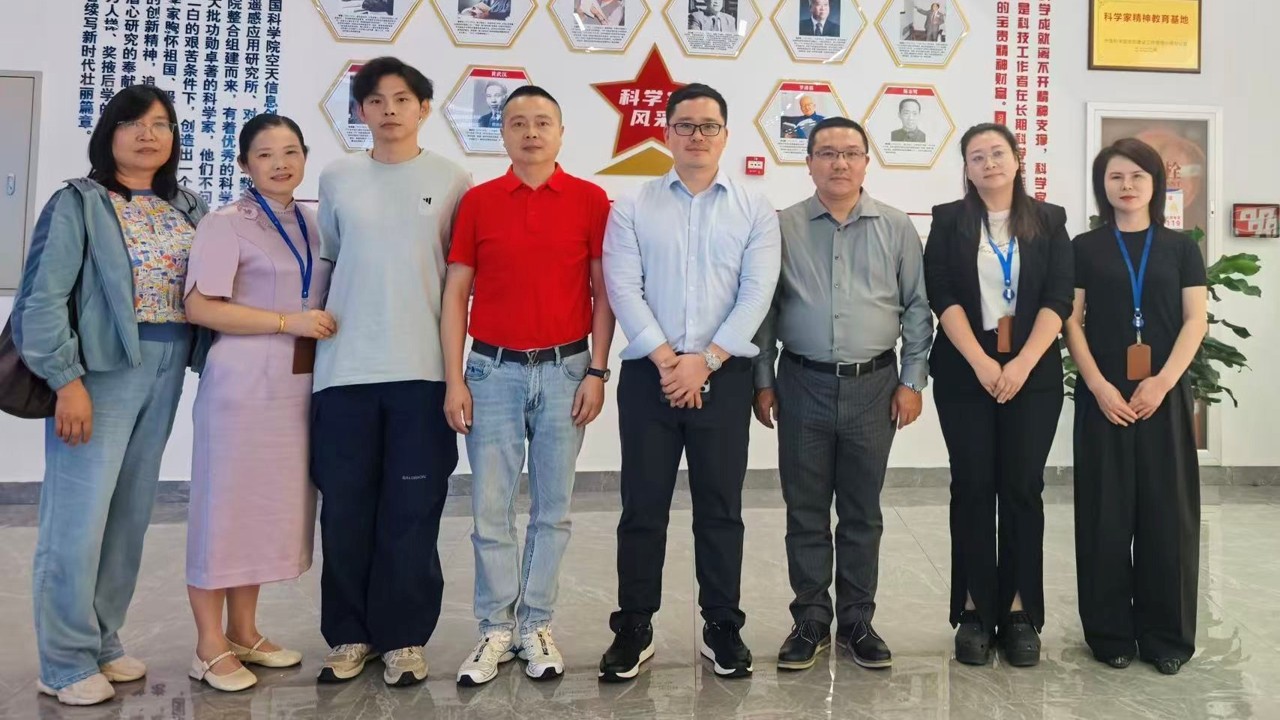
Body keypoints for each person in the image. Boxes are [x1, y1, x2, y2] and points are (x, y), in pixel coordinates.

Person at [11, 85, 207, 706]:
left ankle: (102, 639)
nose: (149, 134)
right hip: (97, 373)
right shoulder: (79, 202)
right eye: (133, 123)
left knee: (129, 515)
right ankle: (64, 661)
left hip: (168, 366)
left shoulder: (187, 206)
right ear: (109, 133)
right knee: (78, 519)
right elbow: (41, 300)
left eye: (161, 124)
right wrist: (66, 381)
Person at [599, 83, 781, 682]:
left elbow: (757, 292)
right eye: (685, 125)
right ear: (666, 133)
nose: (697, 135)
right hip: (649, 377)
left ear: (725, 134)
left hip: (723, 377)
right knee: (642, 507)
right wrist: (669, 360)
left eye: (708, 126)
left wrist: (708, 359)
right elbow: (623, 288)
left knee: (721, 507)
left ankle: (722, 625)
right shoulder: (632, 204)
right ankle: (634, 626)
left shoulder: (754, 207)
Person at [442, 85, 616, 686]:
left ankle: (536, 625)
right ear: (503, 133)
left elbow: (603, 293)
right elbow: (456, 294)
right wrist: (454, 378)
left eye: (543, 122)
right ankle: (494, 628)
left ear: (561, 133)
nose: (531, 132)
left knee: (553, 510)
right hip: (491, 372)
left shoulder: (590, 200)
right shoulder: (479, 202)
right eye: (518, 122)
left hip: (567, 370)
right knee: (490, 510)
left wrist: (597, 370)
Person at [311, 56, 471, 687]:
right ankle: (348, 634)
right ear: (359, 111)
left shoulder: (452, 179)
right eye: (375, 100)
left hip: (422, 369)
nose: (389, 111)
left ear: (424, 108)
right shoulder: (338, 177)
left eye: (402, 99)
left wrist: (455, 373)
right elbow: (328, 261)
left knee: (412, 508)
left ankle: (404, 638)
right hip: (343, 370)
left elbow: (458, 280)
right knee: (345, 509)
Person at [753, 117, 933, 672]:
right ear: (808, 162)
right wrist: (763, 380)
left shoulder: (897, 226)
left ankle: (858, 621)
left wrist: (912, 380)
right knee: (805, 508)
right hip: (800, 383)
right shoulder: (782, 226)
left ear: (866, 162)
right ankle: (810, 619)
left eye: (850, 153)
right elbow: (764, 309)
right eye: (827, 153)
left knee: (861, 510)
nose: (839, 163)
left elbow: (916, 308)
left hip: (875, 387)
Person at [182, 114, 333, 692]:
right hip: (241, 385)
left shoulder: (313, 223)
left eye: (291, 151)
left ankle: (243, 630)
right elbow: (201, 307)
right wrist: (286, 321)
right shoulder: (224, 224)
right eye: (265, 154)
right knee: (224, 509)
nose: (280, 163)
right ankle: (207, 644)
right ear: (245, 164)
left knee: (262, 509)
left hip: (295, 387)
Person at [923, 123, 1072, 669]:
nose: (989, 163)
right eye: (976, 156)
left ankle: (1017, 611)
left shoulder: (1049, 220)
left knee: (1022, 488)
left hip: (1032, 369)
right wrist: (983, 362)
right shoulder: (948, 219)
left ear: (1017, 158)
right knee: (972, 486)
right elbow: (941, 293)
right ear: (966, 168)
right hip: (967, 370)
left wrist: (1022, 363)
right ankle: (972, 610)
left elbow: (1059, 297)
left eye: (997, 153)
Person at [1065, 138, 1207, 676]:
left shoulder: (1180, 248)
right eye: (1115, 177)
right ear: (1102, 185)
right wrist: (1098, 385)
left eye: (1137, 176)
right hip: (1103, 397)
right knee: (1104, 516)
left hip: (1161, 398)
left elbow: (1195, 320)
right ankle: (1109, 634)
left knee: (1168, 517)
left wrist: (1163, 382)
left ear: (1155, 183)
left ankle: (1166, 636)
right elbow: (1071, 320)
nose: (1126, 186)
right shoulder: (1084, 247)